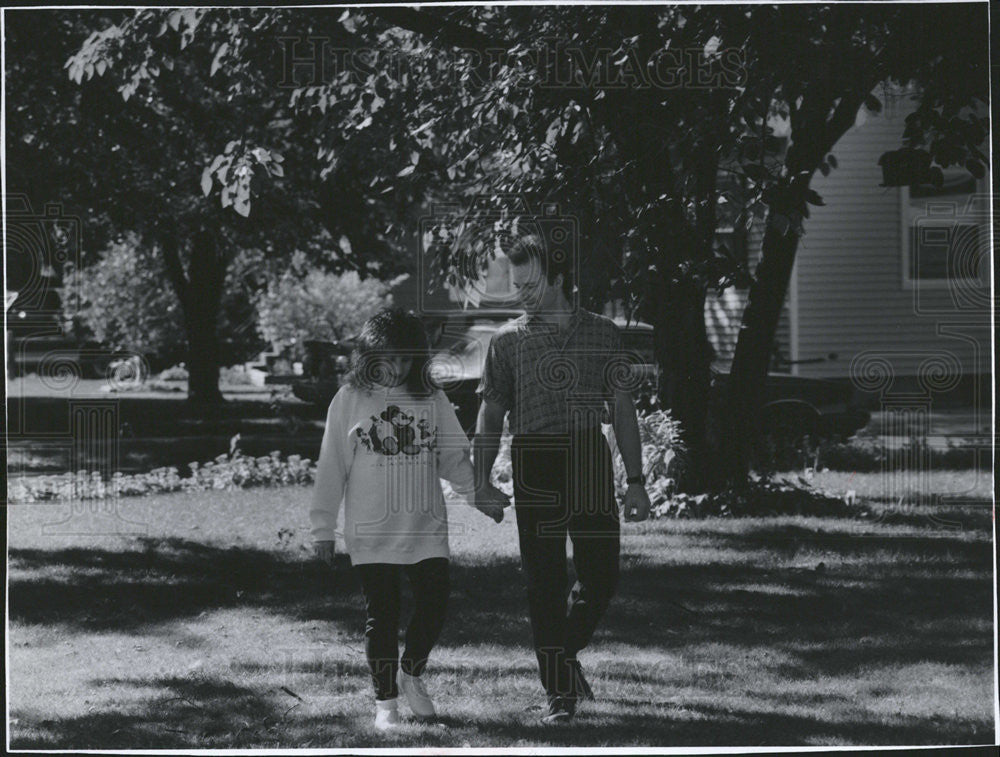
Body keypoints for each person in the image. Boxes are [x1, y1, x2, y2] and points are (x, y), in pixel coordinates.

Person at [473, 231, 652, 725]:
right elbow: (491, 416)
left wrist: (635, 480)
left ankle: (563, 655)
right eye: (516, 285)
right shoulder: (506, 340)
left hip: (588, 455)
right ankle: (559, 694)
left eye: (531, 284)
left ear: (559, 278)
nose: (522, 294)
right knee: (544, 581)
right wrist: (480, 481)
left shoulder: (602, 332)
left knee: (602, 575)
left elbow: (621, 408)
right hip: (535, 458)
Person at [310, 307, 506, 732]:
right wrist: (323, 528)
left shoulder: (431, 399)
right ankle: (386, 703)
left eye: (406, 358)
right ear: (368, 355)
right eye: (388, 358)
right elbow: (331, 468)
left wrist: (481, 498)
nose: (397, 367)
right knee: (382, 615)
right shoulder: (348, 401)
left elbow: (454, 459)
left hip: (424, 527)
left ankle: (411, 672)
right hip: (371, 530)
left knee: (434, 605)